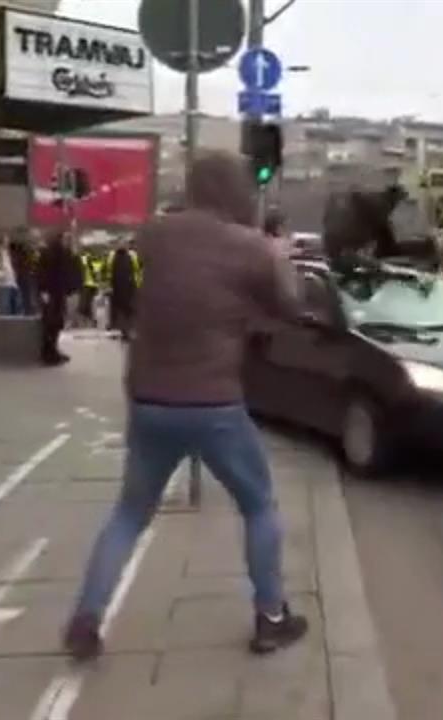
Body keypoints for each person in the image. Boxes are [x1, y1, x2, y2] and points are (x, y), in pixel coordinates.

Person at [64, 151, 309, 662]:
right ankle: (271, 617)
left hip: (150, 398)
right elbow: (291, 306)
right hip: (214, 402)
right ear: (235, 190)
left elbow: (157, 289)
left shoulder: (154, 235)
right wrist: (277, 254)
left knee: (130, 512)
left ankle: (87, 617)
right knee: (259, 504)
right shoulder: (250, 248)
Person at [37, 231, 80, 366]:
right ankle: (49, 353)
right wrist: (44, 290)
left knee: (56, 322)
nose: (69, 241)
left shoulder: (61, 253)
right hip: (52, 292)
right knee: (52, 323)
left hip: (56, 292)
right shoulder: (52, 253)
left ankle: (52, 351)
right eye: (67, 238)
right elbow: (43, 272)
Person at [105, 240, 141, 343]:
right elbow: (108, 271)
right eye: (120, 243)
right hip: (116, 287)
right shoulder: (112, 256)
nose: (122, 245)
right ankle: (123, 332)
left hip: (129, 287)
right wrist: (108, 286)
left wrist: (136, 285)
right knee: (120, 311)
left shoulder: (132, 255)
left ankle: (126, 331)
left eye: (124, 243)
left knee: (128, 311)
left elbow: (136, 270)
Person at [0, 233, 22, 316]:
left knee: (15, 311)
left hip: (12, 284)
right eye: (5, 240)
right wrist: (1, 275)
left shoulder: (6, 253)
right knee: (4, 311)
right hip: (2, 285)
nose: (7, 242)